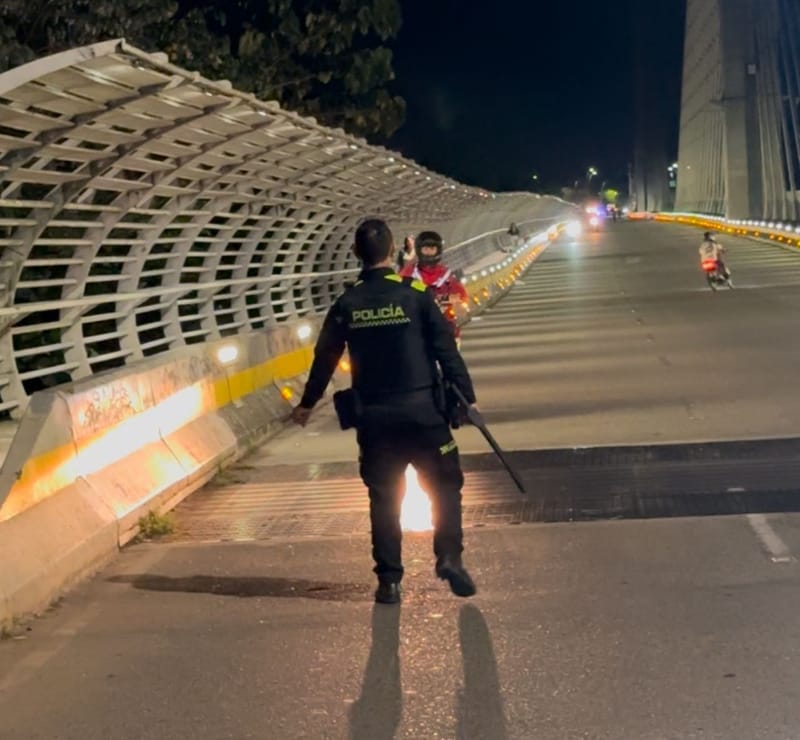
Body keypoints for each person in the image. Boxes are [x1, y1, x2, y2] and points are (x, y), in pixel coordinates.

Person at [291, 219, 478, 605]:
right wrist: (466, 398)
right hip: (425, 415)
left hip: (375, 421)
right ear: (393, 252)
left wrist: (307, 403)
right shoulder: (415, 294)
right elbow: (446, 349)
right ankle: (449, 557)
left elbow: (325, 357)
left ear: (357, 254)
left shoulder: (348, 302)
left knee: (384, 497)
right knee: (445, 487)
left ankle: (389, 581)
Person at [400, 231, 469, 342]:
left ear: (438, 250)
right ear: (419, 250)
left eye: (432, 249)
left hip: (445, 329)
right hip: (417, 332)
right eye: (426, 249)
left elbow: (461, 295)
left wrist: (457, 302)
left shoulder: (446, 275)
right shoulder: (409, 273)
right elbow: (397, 294)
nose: (429, 253)